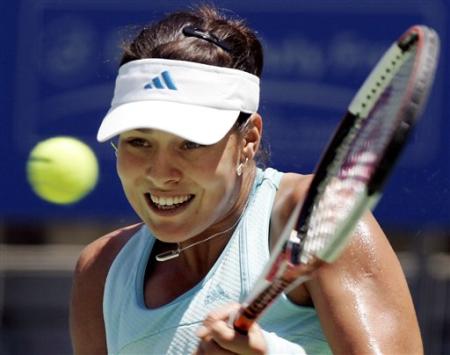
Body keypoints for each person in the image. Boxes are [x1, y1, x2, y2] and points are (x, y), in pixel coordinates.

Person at [70, 5, 423, 354]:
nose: (161, 173)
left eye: (191, 143)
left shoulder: (317, 219)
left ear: (249, 139)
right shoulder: (101, 271)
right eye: (139, 142)